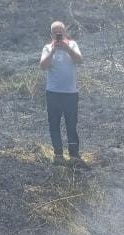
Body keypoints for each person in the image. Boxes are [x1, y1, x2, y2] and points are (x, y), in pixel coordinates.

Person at [40, 21, 86, 166]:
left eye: (61, 32)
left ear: (65, 33)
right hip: (53, 93)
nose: (58, 35)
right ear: (51, 34)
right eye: (55, 33)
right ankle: (58, 154)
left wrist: (67, 49)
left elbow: (79, 60)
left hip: (70, 93)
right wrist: (53, 51)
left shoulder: (72, 45)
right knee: (54, 124)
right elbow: (43, 66)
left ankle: (74, 154)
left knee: (71, 124)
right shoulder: (47, 48)